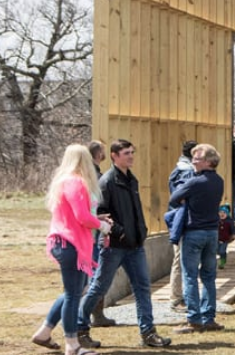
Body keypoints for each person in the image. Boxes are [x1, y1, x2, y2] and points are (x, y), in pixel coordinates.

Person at [76, 139, 171, 348]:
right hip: (113, 246)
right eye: (126, 153)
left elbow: (135, 211)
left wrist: (141, 231)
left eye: (131, 152)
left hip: (134, 246)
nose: (131, 156)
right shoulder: (107, 182)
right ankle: (79, 328)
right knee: (99, 287)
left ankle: (148, 333)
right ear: (114, 156)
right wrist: (119, 232)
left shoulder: (132, 180)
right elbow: (101, 213)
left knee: (142, 287)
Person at [31, 145, 114, 355]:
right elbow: (82, 217)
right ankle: (72, 344)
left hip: (68, 243)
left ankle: (44, 332)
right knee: (73, 295)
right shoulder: (75, 182)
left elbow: (78, 214)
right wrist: (102, 226)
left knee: (76, 291)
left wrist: (97, 219)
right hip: (71, 244)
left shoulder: (65, 181)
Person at [168, 144, 226, 334]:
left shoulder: (194, 182)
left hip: (194, 233)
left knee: (190, 276)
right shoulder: (219, 181)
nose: (193, 161)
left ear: (209, 162)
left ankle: (194, 319)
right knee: (209, 276)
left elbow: (174, 198)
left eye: (197, 158)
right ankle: (209, 317)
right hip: (212, 233)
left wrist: (186, 199)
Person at [85, 140, 115, 328]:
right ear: (98, 155)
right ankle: (94, 314)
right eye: (103, 151)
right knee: (96, 272)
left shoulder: (88, 174)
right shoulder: (94, 176)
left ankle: (95, 314)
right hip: (93, 229)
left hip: (92, 227)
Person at [166, 140, 197, 310]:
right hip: (183, 220)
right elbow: (181, 198)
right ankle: (177, 298)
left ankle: (180, 296)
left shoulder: (178, 170)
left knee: (181, 259)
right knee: (180, 259)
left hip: (177, 219)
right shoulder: (187, 172)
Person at [216, 205, 235, 270]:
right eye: (220, 213)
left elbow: (232, 228)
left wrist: (234, 234)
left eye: (224, 213)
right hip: (217, 239)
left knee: (222, 251)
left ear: (227, 214)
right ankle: (223, 256)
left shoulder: (229, 221)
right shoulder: (217, 221)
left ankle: (222, 263)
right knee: (218, 251)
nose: (222, 214)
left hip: (225, 239)